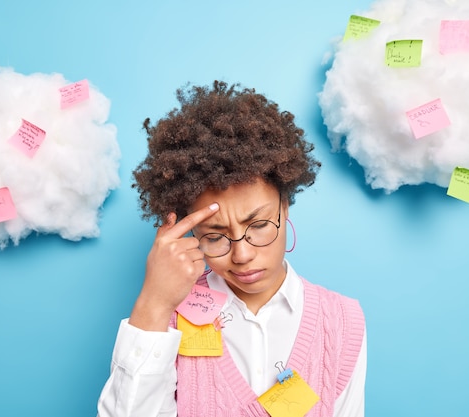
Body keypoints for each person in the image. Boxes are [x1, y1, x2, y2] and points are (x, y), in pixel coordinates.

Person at [97, 80, 366, 417]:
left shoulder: (342, 320)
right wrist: (154, 301)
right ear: (191, 231)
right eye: (214, 236)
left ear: (284, 207)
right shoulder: (168, 318)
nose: (241, 256)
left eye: (258, 226)